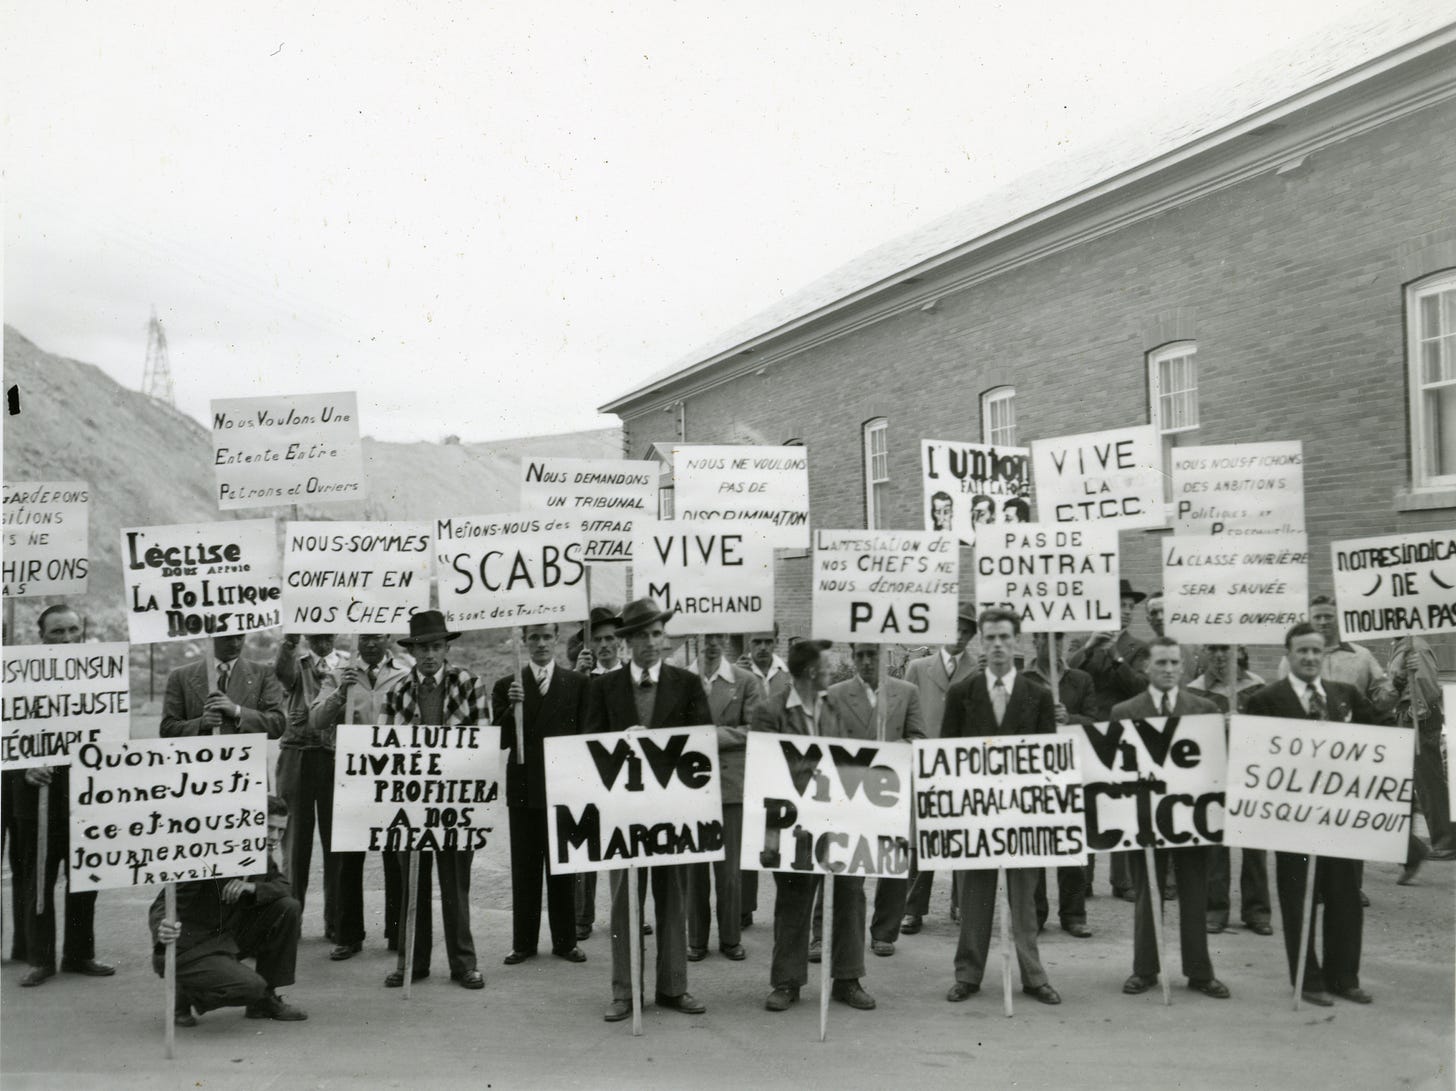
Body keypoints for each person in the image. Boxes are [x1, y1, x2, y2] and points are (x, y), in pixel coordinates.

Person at [586, 598, 713, 1023]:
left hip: (672, 812)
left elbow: (701, 744)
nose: (651, 642)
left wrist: (659, 744)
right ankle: (625, 991)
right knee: (624, 901)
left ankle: (674, 986)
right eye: (641, 635)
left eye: (657, 634)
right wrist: (622, 742)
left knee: (672, 896)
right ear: (627, 642)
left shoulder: (687, 683)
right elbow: (587, 747)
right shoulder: (604, 687)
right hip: (623, 813)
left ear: (665, 638)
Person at [1248, 621, 1379, 1006]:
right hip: (1293, 823)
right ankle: (1308, 979)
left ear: (1324, 655)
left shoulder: (1345, 696)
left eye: (1315, 651)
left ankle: (1345, 977)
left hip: (1341, 820)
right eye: (1301, 651)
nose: (1308, 657)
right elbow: (1254, 760)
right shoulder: (1266, 700)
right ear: (1288, 655)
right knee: (1298, 898)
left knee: (1345, 897)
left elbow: (1382, 737)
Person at [942, 608, 1062, 1006]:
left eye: (1004, 638)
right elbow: (945, 757)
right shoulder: (962, 694)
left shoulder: (1038, 696)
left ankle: (1033, 975)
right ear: (980, 641)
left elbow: (1048, 763)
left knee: (1024, 900)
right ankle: (968, 974)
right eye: (989, 638)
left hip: (1022, 816)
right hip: (975, 815)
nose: (997, 645)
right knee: (974, 897)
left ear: (1017, 642)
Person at [757, 640, 877, 1013]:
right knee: (793, 897)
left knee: (849, 893)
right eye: (827, 664)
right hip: (792, 825)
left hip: (836, 820)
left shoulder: (834, 707)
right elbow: (764, 770)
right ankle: (787, 981)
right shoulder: (771, 711)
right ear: (811, 670)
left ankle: (848, 977)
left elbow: (847, 758)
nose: (832, 669)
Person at [1112, 636, 1229, 1001]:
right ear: (1146, 667)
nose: (1167, 670)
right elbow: (1114, 769)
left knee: (1195, 893)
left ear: (1183, 667)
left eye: (1173, 663)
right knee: (1148, 891)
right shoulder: (1125, 711)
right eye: (1160, 663)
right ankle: (1145, 969)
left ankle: (1199, 971)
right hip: (1146, 817)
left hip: (1191, 816)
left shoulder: (1205, 710)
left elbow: (1216, 766)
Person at [379, 610, 487, 990]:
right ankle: (412, 962)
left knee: (455, 884)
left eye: (436, 647)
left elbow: (482, 744)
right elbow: (385, 751)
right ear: (413, 650)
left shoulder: (470, 684)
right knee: (412, 883)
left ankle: (464, 964)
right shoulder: (396, 692)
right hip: (410, 800)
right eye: (423, 648)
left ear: (446, 649)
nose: (429, 655)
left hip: (454, 801)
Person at [12, 604, 115, 987]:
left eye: (73, 630)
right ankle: (41, 958)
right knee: (38, 878)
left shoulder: (99, 678)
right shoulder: (18, 681)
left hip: (85, 796)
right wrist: (24, 767)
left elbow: (111, 734)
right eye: (57, 632)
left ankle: (79, 953)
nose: (67, 639)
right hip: (35, 794)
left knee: (85, 876)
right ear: (41, 637)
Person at [152, 795, 306, 1025]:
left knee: (288, 907)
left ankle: (263, 1001)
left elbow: (284, 886)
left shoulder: (260, 855)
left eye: (281, 831)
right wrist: (162, 926)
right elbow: (164, 902)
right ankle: (185, 991)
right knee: (251, 987)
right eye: (268, 828)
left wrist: (252, 887)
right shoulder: (210, 852)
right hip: (192, 948)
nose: (274, 837)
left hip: (226, 938)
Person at [309, 631, 411, 960]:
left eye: (376, 637)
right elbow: (316, 719)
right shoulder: (339, 674)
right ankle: (348, 935)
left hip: (392, 774)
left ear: (387, 638)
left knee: (395, 856)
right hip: (352, 776)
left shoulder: (403, 673)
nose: (369, 644)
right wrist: (340, 693)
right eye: (364, 638)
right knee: (349, 860)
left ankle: (397, 932)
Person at [820, 644, 924, 959]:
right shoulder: (835, 693)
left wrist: (890, 751)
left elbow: (919, 738)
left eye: (873, 654)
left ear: (886, 656)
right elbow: (824, 741)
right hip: (849, 790)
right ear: (853, 657)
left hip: (890, 789)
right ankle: (825, 933)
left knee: (891, 862)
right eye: (860, 655)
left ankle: (884, 932)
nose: (866, 661)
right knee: (843, 863)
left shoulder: (906, 692)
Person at [494, 623, 590, 965]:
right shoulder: (508, 685)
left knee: (563, 869)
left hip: (563, 788)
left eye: (547, 637)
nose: (540, 644)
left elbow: (585, 737)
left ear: (556, 640)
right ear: (524, 641)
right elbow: (499, 740)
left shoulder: (577, 683)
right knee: (525, 869)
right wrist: (511, 708)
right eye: (533, 637)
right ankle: (524, 943)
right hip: (523, 789)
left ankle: (565, 942)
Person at [895, 605, 977, 937]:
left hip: (964, 763)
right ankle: (913, 908)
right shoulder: (918, 667)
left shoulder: (977, 669)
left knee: (962, 834)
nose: (959, 636)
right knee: (920, 837)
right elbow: (903, 711)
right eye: (954, 628)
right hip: (924, 760)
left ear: (972, 636)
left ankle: (961, 903)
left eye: (966, 631)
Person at [1068, 579, 1150, 900]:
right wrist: (1091, 647)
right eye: (1120, 606)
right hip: (1087, 733)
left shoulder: (1137, 648)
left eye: (1130, 607)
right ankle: (1083, 878)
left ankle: (1122, 880)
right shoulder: (1080, 643)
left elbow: (1140, 686)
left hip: (1122, 735)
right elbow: (1069, 675)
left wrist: (1115, 654)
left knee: (1121, 805)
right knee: (1086, 804)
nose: (1126, 612)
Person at [684, 633, 759, 963]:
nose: (712, 644)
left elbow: (756, 728)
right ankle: (696, 940)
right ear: (697, 638)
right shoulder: (682, 679)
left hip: (730, 786)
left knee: (729, 872)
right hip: (690, 784)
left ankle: (730, 939)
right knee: (695, 869)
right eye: (706, 637)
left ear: (725, 641)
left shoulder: (745, 681)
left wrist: (713, 737)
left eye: (718, 637)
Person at [1188, 644, 1272, 935]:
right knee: (1214, 846)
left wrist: (1246, 726)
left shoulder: (1257, 687)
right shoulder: (1196, 691)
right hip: (1213, 775)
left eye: (1226, 648)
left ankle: (1257, 910)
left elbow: (1271, 734)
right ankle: (1215, 908)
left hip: (1248, 775)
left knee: (1254, 847)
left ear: (1240, 651)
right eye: (1213, 649)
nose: (1221, 655)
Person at [273, 633, 348, 942]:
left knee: (338, 844)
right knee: (294, 844)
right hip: (297, 754)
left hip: (336, 756)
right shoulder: (295, 663)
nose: (322, 639)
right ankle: (293, 921)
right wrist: (289, 643)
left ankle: (337, 922)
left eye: (328, 632)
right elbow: (282, 673)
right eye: (315, 634)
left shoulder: (348, 665)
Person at [1024, 630, 1096, 938]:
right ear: (1034, 641)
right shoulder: (1022, 679)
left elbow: (1097, 722)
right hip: (1035, 772)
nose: (1050, 645)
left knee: (1071, 846)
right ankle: (1036, 913)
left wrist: (1071, 719)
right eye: (1043, 638)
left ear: (1064, 643)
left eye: (1057, 639)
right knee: (1037, 843)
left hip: (1071, 772)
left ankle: (1074, 914)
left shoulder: (1080, 680)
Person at [571, 605, 624, 941]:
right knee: (586, 844)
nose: (604, 645)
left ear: (619, 642)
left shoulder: (631, 676)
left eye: (610, 639)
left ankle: (628, 910)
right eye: (598, 640)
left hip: (621, 770)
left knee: (625, 845)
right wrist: (577, 677)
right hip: (587, 769)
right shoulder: (580, 677)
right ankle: (581, 917)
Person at [739, 625, 792, 928]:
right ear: (748, 642)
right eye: (756, 641)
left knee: (778, 835)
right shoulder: (737, 673)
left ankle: (785, 908)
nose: (761, 647)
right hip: (747, 763)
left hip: (779, 764)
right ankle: (744, 908)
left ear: (776, 642)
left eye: (767, 642)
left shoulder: (786, 674)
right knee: (748, 838)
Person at [1387, 633, 1455, 865]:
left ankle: (1445, 842)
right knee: (1424, 781)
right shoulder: (1401, 645)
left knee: (1428, 782)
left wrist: (1414, 714)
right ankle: (1445, 838)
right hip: (1410, 715)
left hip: (1418, 717)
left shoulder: (1414, 646)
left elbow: (1426, 684)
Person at [160, 633, 287, 739]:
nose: (235, 644)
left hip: (246, 765)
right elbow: (167, 729)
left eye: (240, 637)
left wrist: (237, 711)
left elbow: (277, 725)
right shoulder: (180, 676)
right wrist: (200, 724)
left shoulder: (263, 673)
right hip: (201, 765)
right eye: (227, 638)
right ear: (210, 638)